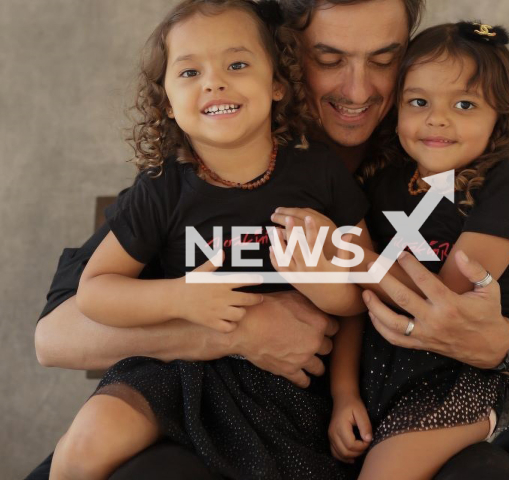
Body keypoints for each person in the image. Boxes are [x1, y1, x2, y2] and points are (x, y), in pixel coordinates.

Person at [30, 1, 509, 479]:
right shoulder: (212, 163)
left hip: (410, 409)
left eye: (384, 60)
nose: (358, 88)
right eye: (329, 59)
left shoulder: (440, 172)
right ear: (284, 63)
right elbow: (56, 336)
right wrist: (237, 330)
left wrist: (503, 343)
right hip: (212, 405)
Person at [48, 1, 373, 479]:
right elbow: (95, 291)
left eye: (237, 64)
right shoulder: (161, 187)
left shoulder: (320, 174)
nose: (214, 81)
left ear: (277, 82)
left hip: (286, 385)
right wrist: (182, 296)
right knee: (88, 438)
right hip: (175, 369)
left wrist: (321, 281)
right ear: (167, 103)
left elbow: (362, 294)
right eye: (189, 71)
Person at [326, 21, 509, 478]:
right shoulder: (381, 181)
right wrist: (344, 392)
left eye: (464, 104)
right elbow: (356, 305)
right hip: (374, 376)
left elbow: (443, 305)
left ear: (499, 118)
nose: (437, 118)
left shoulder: (499, 190)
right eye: (419, 102)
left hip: (452, 382)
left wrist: (356, 260)